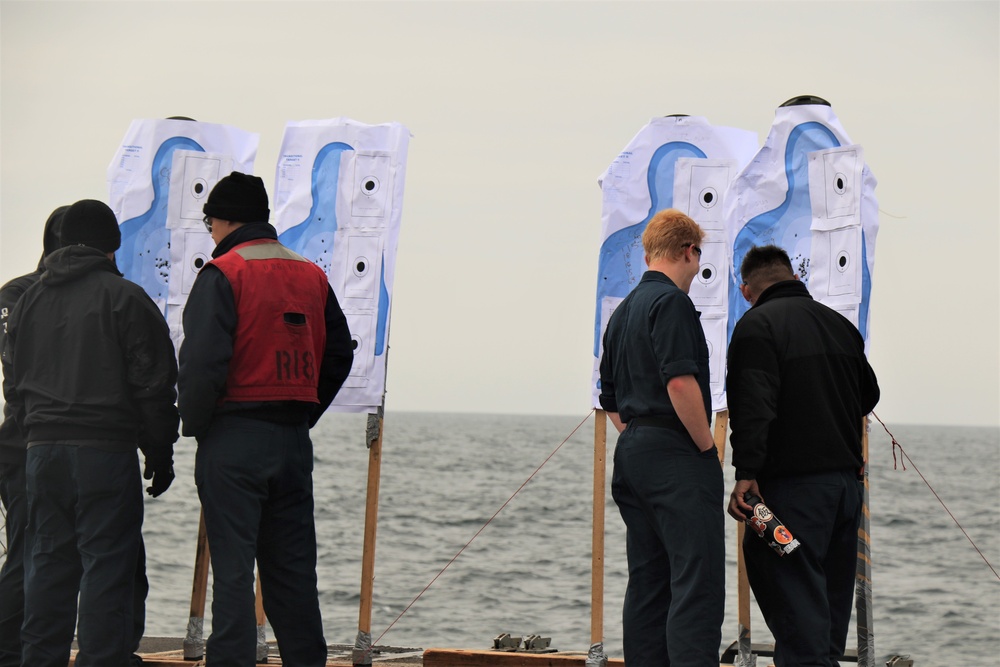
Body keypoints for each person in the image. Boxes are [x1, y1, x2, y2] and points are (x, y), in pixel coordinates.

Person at [178, 172, 353, 665]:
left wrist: (196, 425)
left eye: (208, 220)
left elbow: (201, 365)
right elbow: (340, 353)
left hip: (234, 437)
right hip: (293, 440)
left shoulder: (224, 273)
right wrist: (305, 410)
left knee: (233, 573)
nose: (209, 230)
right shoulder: (310, 274)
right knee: (294, 573)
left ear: (223, 218)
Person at [2, 199, 179, 667]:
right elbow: (155, 385)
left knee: (46, 565)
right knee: (107, 566)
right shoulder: (125, 297)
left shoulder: (28, 300)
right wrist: (160, 452)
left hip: (40, 453)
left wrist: (34, 434)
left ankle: (39, 660)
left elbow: (13, 384)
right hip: (105, 451)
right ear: (113, 246)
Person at [726, 244, 880, 667]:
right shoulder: (840, 326)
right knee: (827, 617)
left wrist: (746, 472)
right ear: (795, 277)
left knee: (795, 612)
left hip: (789, 495)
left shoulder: (756, 326)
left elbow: (753, 406)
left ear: (745, 290)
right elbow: (870, 394)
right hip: (844, 493)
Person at [598, 208, 725, 667]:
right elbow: (680, 383)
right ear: (689, 252)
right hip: (675, 452)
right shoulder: (671, 304)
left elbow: (609, 397)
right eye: (697, 259)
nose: (696, 271)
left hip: (632, 450)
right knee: (697, 581)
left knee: (649, 581)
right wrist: (706, 447)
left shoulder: (623, 312)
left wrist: (640, 437)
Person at [0, 206, 65, 667]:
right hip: (24, 447)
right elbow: (14, 373)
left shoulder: (18, 294)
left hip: (31, 443)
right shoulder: (21, 293)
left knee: (34, 555)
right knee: (27, 555)